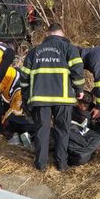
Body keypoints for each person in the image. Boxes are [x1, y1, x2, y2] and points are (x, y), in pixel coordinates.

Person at [20, 23, 85, 171]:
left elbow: (24, 76)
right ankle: (61, 164)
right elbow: (77, 70)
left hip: (40, 99)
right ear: (62, 34)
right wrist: (79, 89)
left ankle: (41, 165)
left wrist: (25, 95)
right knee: (62, 129)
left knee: (42, 130)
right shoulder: (69, 48)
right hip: (63, 98)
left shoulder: (34, 51)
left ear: (47, 34)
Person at [0, 67, 34, 148]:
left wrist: (1, 123)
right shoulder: (27, 87)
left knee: (11, 122)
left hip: (16, 120)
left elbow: (11, 111)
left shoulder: (15, 90)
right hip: (30, 121)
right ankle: (26, 135)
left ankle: (15, 136)